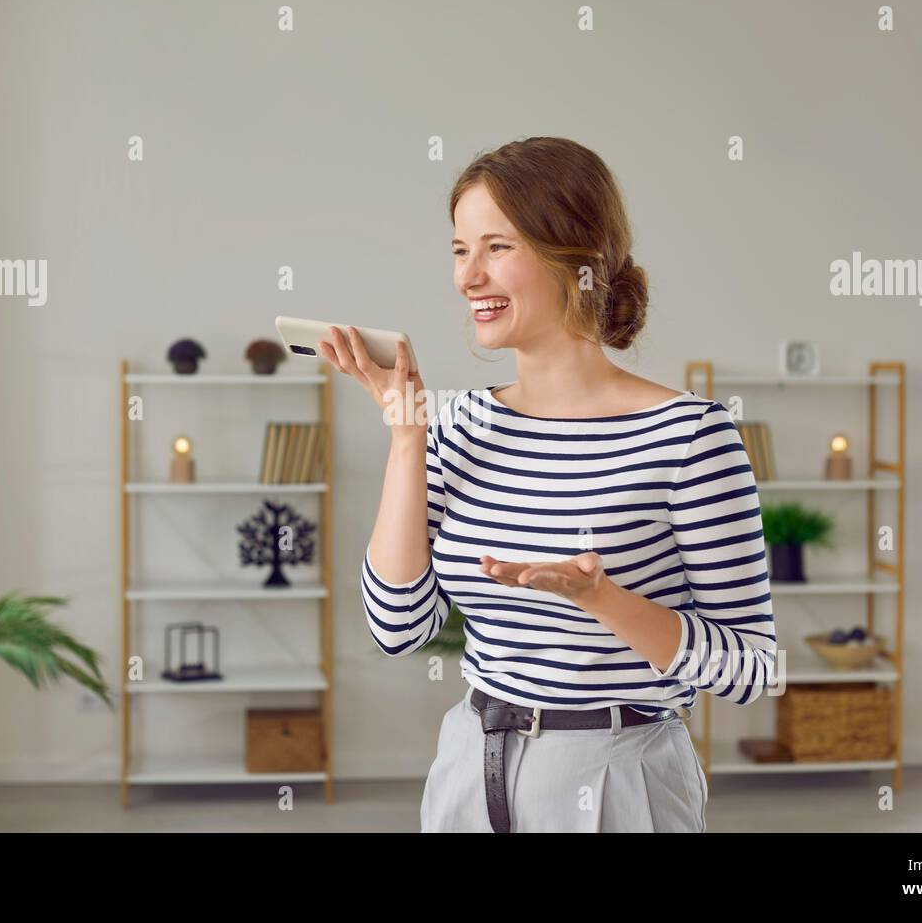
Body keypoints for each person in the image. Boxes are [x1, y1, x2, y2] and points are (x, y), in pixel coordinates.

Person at [322, 136, 775, 833]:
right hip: (470, 772)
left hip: (621, 777)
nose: (468, 277)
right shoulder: (458, 425)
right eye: (458, 250)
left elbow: (751, 668)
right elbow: (397, 628)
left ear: (579, 258)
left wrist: (601, 599)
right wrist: (409, 435)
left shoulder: (691, 437)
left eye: (497, 247)